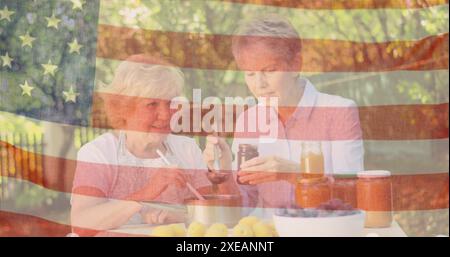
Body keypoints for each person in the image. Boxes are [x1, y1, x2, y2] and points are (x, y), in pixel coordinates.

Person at [203, 14, 364, 209]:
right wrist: (224, 172)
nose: (259, 85)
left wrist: (295, 174)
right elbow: (242, 207)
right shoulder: (249, 120)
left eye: (270, 70)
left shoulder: (339, 112)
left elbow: (351, 194)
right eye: (250, 74)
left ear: (296, 65)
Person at [70, 54, 234, 235]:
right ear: (124, 107)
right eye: (152, 104)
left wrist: (179, 216)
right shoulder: (98, 153)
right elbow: (82, 224)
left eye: (170, 102)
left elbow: (209, 216)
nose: (165, 115)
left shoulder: (186, 149)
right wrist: (146, 194)